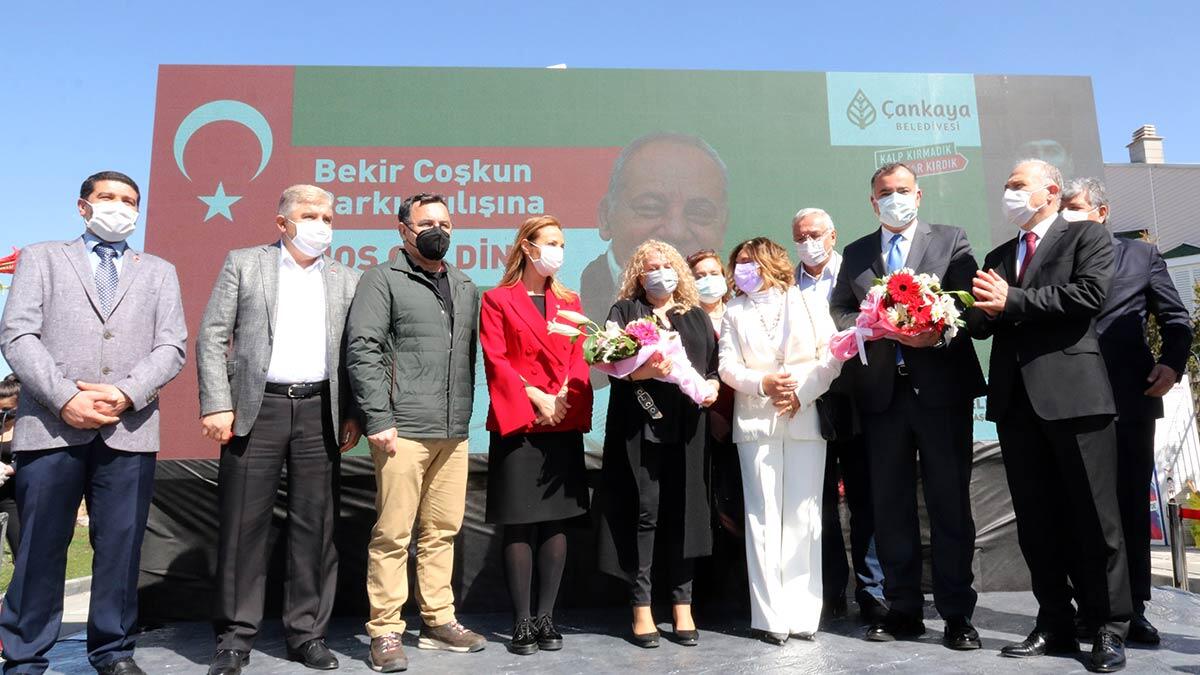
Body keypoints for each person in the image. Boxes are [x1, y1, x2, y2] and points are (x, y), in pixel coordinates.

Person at [0, 171, 187, 675]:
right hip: (51, 426)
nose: (119, 207)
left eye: (129, 201)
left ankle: (112, 650)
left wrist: (126, 392)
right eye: (108, 198)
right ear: (83, 207)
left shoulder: (159, 271)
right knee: (41, 546)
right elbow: (17, 336)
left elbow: (172, 346)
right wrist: (65, 399)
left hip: (129, 429)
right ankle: (24, 654)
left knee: (121, 547)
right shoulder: (42, 258)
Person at [969, 159, 1130, 673]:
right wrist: (937, 310)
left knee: (1095, 518)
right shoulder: (998, 254)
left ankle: (1108, 627)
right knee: (1036, 523)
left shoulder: (1086, 237)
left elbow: (1088, 297)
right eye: (1006, 185)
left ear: (1051, 191)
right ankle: (1055, 623)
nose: (1009, 193)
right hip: (1017, 404)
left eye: (1018, 185)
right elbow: (981, 322)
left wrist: (1010, 299)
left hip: (1075, 398)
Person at [196, 185, 363, 675]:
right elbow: (211, 335)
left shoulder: (347, 279)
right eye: (310, 215)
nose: (321, 225)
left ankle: (307, 634)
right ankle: (234, 637)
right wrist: (216, 403)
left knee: (316, 529)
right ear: (281, 222)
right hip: (255, 409)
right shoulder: (245, 263)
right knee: (243, 527)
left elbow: (356, 354)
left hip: (321, 411)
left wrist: (353, 411)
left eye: (329, 217)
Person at [829, 163, 986, 650]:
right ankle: (903, 608)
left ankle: (957, 613)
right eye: (884, 193)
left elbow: (967, 303)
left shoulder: (951, 239)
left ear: (918, 196)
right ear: (873, 202)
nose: (894, 198)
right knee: (890, 507)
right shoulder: (855, 253)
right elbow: (839, 309)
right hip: (882, 396)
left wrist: (930, 327)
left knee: (948, 505)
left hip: (941, 394)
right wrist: (875, 322)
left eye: (903, 190)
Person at [346, 193, 484, 672]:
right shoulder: (381, 280)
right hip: (402, 430)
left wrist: (463, 419)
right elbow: (363, 350)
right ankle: (385, 629)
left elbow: (467, 358)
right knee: (393, 534)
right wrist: (378, 419)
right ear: (403, 229)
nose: (438, 231)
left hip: (454, 431)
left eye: (445, 223)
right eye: (427, 223)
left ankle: (438, 621)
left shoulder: (465, 285)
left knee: (442, 532)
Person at [1062, 177, 1193, 645]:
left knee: (1127, 511)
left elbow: (1176, 319)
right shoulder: (1052, 258)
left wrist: (1172, 365)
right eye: (1062, 208)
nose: (1067, 214)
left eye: (1075, 206)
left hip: (1128, 401)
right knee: (1077, 509)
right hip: (1069, 402)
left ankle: (1133, 608)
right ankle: (1087, 607)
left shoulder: (1140, 256)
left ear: (1101, 212)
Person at [595, 240, 719, 648]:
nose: (659, 272)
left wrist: (713, 385)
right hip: (639, 426)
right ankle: (642, 606)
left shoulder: (694, 314)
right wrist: (642, 371)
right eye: (651, 266)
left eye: (666, 265)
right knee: (644, 514)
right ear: (637, 272)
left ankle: (683, 604)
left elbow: (714, 365)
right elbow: (607, 361)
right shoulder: (626, 312)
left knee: (685, 511)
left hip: (687, 428)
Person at [479, 216, 593, 655]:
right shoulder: (497, 299)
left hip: (560, 422)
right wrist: (535, 398)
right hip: (520, 424)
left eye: (562, 243)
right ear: (527, 247)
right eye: (551, 242)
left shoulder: (570, 300)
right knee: (521, 522)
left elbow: (579, 358)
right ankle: (521, 622)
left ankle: (547, 617)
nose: (558, 251)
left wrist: (563, 397)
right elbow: (496, 359)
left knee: (556, 522)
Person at [718, 237, 842, 644]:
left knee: (804, 517)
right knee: (763, 518)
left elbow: (832, 355)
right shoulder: (733, 311)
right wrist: (763, 383)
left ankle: (804, 613)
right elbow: (728, 368)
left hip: (804, 417)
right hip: (756, 423)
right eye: (738, 264)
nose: (742, 270)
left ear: (770, 263)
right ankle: (770, 617)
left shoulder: (808, 301)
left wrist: (800, 392)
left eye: (750, 262)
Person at [791, 208, 886, 623]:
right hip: (807, 401)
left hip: (857, 398)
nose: (808, 242)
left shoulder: (857, 274)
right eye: (800, 236)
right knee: (818, 501)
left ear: (833, 236)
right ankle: (829, 590)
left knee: (864, 499)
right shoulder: (785, 283)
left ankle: (871, 591)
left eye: (815, 234)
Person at [580, 133, 729, 322]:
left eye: (699, 213)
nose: (675, 231)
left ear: (722, 226)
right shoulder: (580, 301)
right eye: (650, 208)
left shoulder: (734, 309)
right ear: (605, 218)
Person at [0, 374, 22, 559]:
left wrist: (11, 468)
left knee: (20, 550)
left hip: (13, 499)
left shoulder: (26, 429)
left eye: (6, 409)